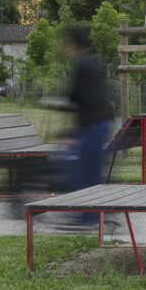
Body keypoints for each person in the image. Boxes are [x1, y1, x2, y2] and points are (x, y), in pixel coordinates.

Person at [53, 25, 116, 232]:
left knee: (84, 170)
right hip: (102, 120)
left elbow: (75, 94)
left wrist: (62, 103)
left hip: (93, 123)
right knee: (93, 170)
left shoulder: (81, 64)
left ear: (73, 44)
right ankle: (98, 213)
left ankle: (88, 218)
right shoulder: (94, 63)